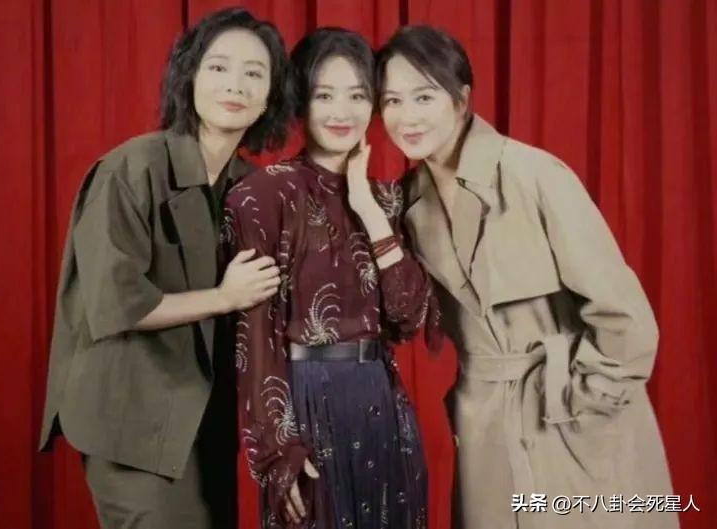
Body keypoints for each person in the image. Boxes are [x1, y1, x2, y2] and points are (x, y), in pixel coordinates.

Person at [376, 25, 678, 529]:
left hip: (570, 416)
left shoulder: (534, 174)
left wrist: (585, 401)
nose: (407, 116)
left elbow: (625, 316)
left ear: (461, 99)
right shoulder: (410, 203)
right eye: (392, 101)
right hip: (487, 429)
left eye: (424, 96)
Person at [39, 8, 291, 529]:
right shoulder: (131, 168)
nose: (235, 84)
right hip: (130, 417)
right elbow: (117, 302)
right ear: (189, 76)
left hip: (206, 421)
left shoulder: (253, 186)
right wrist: (224, 297)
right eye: (218, 67)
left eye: (254, 73)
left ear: (271, 95)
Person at [222, 27, 440, 529]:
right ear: (301, 101)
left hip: (381, 404)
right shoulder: (263, 195)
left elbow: (409, 317)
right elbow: (254, 335)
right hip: (305, 404)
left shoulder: (388, 200)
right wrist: (278, 451)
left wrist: (368, 208)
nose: (342, 112)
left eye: (357, 95)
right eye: (324, 95)